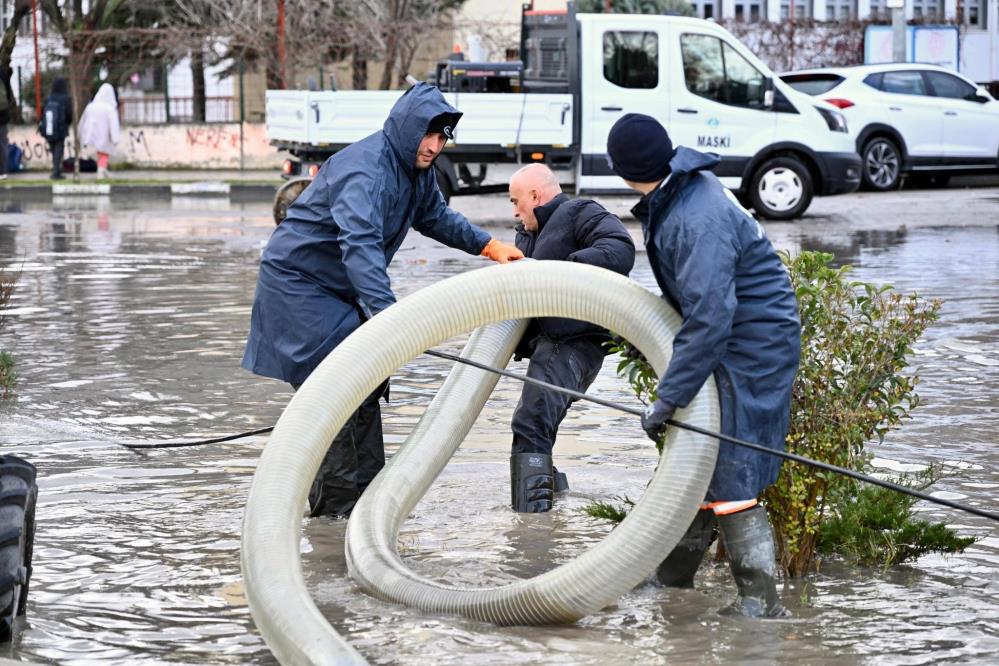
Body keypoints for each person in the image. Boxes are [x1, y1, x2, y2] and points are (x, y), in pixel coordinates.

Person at [242, 82, 523, 519]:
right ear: (407, 129)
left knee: (365, 389)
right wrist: (391, 324)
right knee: (336, 398)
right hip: (299, 290)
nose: (433, 146)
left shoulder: (415, 170)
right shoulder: (367, 171)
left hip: (337, 292)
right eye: (427, 135)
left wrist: (488, 247)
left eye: (441, 137)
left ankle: (368, 511)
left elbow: (435, 216)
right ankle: (334, 522)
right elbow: (361, 248)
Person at [606, 113, 801, 618]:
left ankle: (760, 605)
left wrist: (669, 396)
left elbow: (711, 318)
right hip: (733, 336)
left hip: (751, 346)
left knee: (730, 470)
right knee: (699, 459)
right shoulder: (678, 193)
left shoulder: (697, 216)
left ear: (621, 170)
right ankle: (672, 583)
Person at [506, 163, 635, 513]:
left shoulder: (580, 211)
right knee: (538, 424)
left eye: (516, 201)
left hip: (575, 343)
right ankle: (556, 499)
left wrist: (561, 270)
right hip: (548, 346)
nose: (515, 210)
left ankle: (531, 526)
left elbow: (620, 249)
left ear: (535, 195)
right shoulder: (527, 234)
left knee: (531, 421)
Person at [78, 82, 120, 179]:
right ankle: (101, 171)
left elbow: (83, 121)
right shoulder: (110, 109)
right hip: (105, 135)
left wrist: (80, 133)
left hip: (92, 134)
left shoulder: (91, 106)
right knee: (105, 152)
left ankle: (102, 169)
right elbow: (114, 125)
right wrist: (115, 138)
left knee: (100, 152)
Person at [39, 78, 73, 180]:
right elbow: (69, 114)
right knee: (59, 149)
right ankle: (56, 171)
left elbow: (42, 112)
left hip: (48, 128)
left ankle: (56, 169)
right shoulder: (65, 98)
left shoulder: (49, 98)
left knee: (54, 149)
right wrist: (67, 123)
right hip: (61, 128)